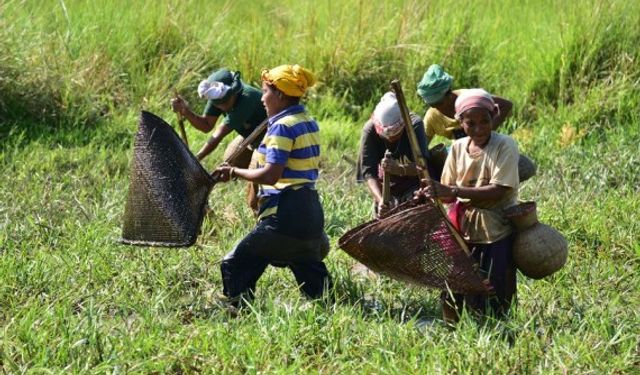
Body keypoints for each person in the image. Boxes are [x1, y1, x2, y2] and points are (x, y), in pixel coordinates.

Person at [214, 64, 331, 306]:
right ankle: (329, 310)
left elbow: (270, 175)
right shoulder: (307, 120)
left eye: (265, 92)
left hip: (284, 216)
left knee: (235, 263)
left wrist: (234, 171)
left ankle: (237, 312)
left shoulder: (282, 126)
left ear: (280, 94)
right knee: (315, 285)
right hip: (310, 214)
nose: (262, 99)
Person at [417, 89, 519, 323]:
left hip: (495, 230)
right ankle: (453, 331)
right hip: (460, 231)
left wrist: (453, 191)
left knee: (495, 289)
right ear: (460, 123)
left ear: (493, 116)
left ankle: (499, 332)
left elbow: (499, 190)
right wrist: (432, 193)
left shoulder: (505, 145)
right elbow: (446, 194)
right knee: (455, 289)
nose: (479, 128)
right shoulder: (457, 149)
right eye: (470, 123)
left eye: (485, 121)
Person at [417, 64, 536, 182]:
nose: (437, 108)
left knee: (524, 168)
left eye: (440, 103)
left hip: (488, 148)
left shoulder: (470, 99)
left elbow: (506, 105)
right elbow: (420, 148)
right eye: (433, 105)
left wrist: (487, 131)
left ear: (449, 93)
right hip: (462, 155)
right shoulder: (432, 116)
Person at [170, 68, 267, 164]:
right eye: (218, 104)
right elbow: (206, 125)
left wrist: (196, 159)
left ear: (234, 93)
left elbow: (218, 135)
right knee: (232, 160)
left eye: (225, 102)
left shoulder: (247, 98)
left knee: (258, 164)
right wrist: (185, 111)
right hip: (251, 135)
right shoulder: (217, 97)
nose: (222, 107)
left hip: (270, 135)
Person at [357, 92, 430, 217]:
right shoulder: (370, 129)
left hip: (414, 186)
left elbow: (423, 167)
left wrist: (399, 169)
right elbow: (369, 172)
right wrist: (381, 201)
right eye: (386, 136)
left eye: (395, 135)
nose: (390, 139)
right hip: (387, 188)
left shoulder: (415, 125)